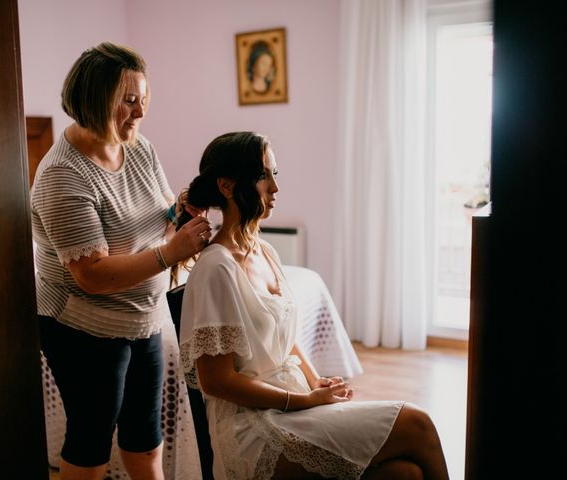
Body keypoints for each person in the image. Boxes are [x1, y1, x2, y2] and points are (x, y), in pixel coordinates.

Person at [176, 131, 450, 480]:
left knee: (405, 474)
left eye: (275, 174)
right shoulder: (216, 267)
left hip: (291, 402)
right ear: (227, 186)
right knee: (417, 424)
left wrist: (315, 380)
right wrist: (304, 401)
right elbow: (216, 382)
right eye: (263, 176)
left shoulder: (266, 252)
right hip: (251, 428)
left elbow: (283, 336)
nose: (275, 187)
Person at [30, 42, 212, 480]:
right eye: (129, 102)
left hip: (141, 319)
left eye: (143, 101)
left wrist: (180, 211)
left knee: (145, 436)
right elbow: (92, 275)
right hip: (82, 327)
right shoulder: (63, 175)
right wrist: (173, 251)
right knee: (91, 442)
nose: (140, 112)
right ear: (94, 100)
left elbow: (160, 210)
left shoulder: (139, 147)